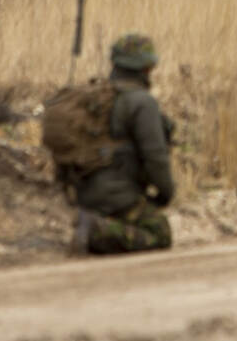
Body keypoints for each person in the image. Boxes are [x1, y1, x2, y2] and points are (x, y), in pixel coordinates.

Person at [69, 33, 175, 255]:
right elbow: (156, 157)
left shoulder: (91, 97)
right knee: (159, 231)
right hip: (118, 197)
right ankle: (94, 231)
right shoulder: (142, 102)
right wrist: (165, 194)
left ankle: (90, 224)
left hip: (82, 192)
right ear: (147, 68)